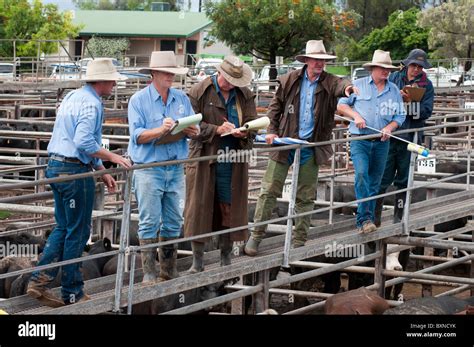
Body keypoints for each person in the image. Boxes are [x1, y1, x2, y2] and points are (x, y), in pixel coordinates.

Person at [27, 59, 132, 307]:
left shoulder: (74, 96)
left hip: (56, 166)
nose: (115, 84)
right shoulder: (93, 104)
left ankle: (39, 279)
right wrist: (113, 157)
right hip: (74, 170)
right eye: (112, 79)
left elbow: (79, 140)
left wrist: (100, 169)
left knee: (64, 227)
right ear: (102, 81)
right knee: (79, 230)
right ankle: (72, 290)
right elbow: (84, 141)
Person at [244, 40, 356, 256]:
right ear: (306, 61)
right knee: (268, 191)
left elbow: (341, 84)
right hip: (285, 142)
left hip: (310, 145)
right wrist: (271, 132)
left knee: (305, 195)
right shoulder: (289, 81)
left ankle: (299, 240)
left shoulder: (330, 82)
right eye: (315, 60)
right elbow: (275, 109)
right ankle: (256, 236)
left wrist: (348, 88)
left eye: (322, 61)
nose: (319, 64)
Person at [128, 51, 198, 283]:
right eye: (167, 73)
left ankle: (168, 270)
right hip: (149, 168)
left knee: (174, 219)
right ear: (154, 74)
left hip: (176, 167)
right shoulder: (138, 100)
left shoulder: (181, 99)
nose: (171, 76)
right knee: (149, 220)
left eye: (172, 73)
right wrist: (162, 130)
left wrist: (192, 130)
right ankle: (149, 273)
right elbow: (137, 136)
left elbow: (193, 127)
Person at [185, 56, 258, 273]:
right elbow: (190, 125)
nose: (230, 84)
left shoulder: (244, 94)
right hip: (204, 157)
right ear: (220, 74)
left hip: (233, 159)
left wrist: (245, 130)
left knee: (229, 207)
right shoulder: (199, 91)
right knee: (199, 207)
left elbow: (253, 122)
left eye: (234, 80)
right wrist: (216, 130)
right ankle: (197, 262)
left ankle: (226, 258)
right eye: (228, 79)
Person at [337, 50, 406, 233]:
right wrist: (355, 115)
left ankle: (368, 218)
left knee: (375, 181)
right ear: (373, 69)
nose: (386, 72)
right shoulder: (357, 85)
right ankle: (364, 219)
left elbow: (400, 115)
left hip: (382, 140)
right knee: (361, 175)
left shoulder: (393, 90)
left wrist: (390, 128)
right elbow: (341, 105)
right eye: (382, 68)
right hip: (360, 139)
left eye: (388, 69)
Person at [374, 49, 434, 227]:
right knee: (383, 176)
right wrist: (398, 101)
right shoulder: (393, 79)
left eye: (419, 67)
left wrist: (409, 104)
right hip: (391, 135)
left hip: (411, 138)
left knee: (404, 179)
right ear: (407, 64)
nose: (416, 69)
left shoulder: (427, 85)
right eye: (413, 65)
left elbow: (426, 112)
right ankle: (375, 217)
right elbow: (382, 104)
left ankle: (399, 217)